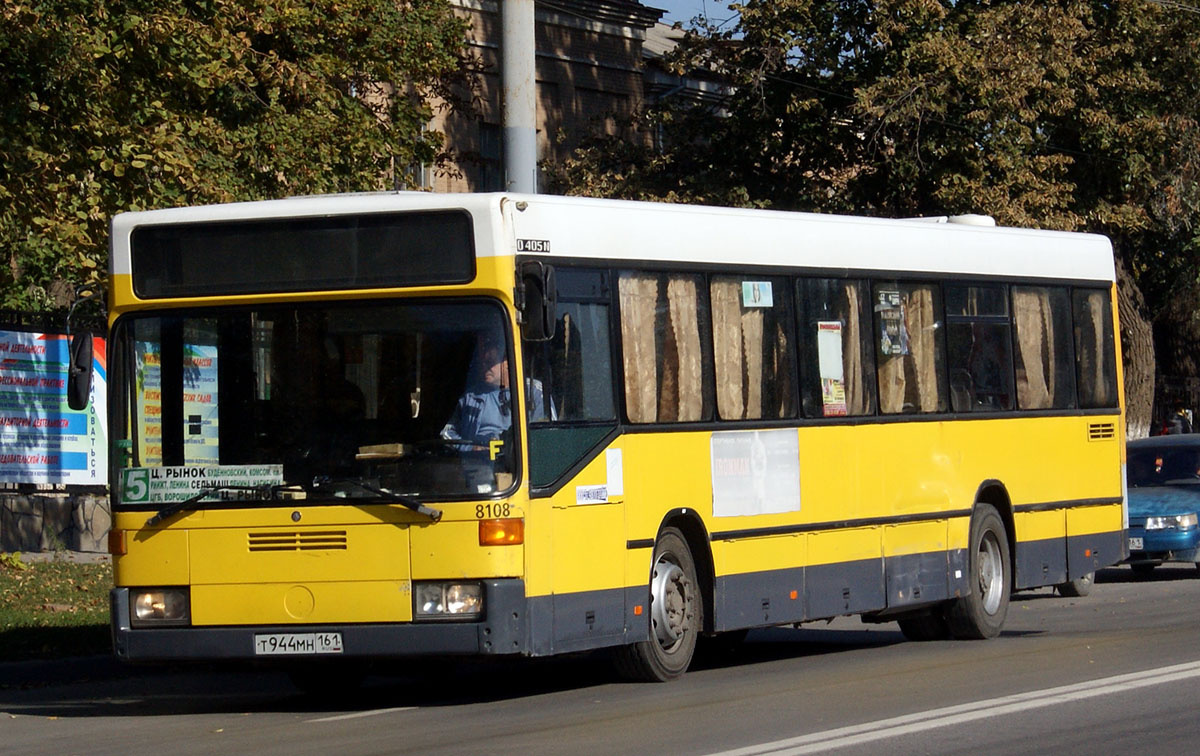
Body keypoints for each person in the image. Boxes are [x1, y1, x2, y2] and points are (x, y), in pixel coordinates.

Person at [441, 335, 552, 447]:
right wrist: (470, 448)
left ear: (507, 363)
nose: (485, 367)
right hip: (475, 462)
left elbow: (547, 434)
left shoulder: (534, 392)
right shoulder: (470, 397)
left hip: (517, 461)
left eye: (490, 362)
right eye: (483, 362)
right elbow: (447, 432)